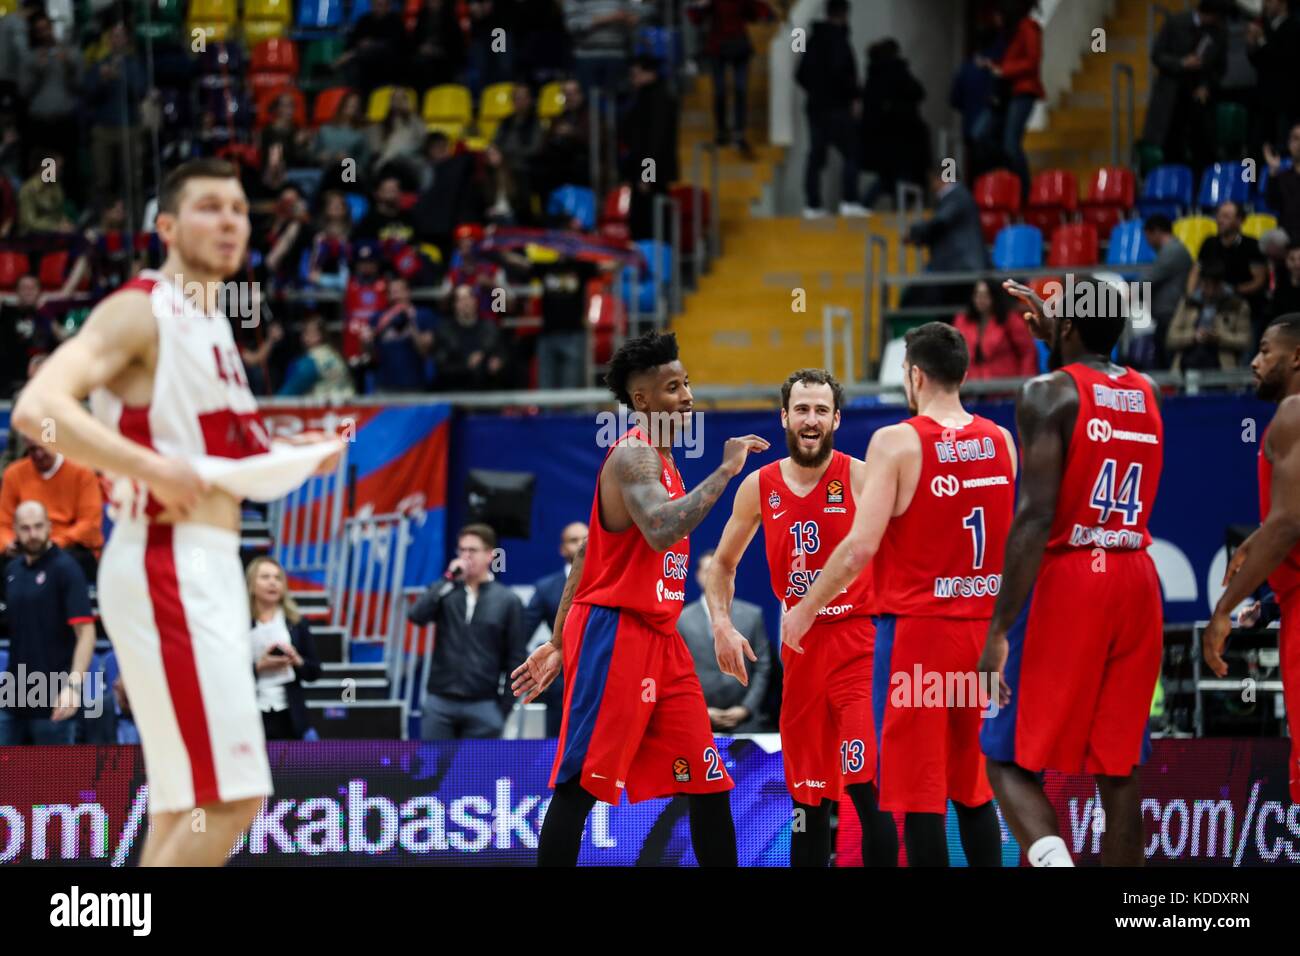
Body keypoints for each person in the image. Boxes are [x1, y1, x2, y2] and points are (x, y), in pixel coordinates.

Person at [10, 157, 342, 867]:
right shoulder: (139, 308)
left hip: (204, 565)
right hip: (167, 561)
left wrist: (298, 453)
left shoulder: (213, 323)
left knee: (184, 806)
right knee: (232, 799)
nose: (230, 221)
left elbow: (220, 453)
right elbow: (38, 408)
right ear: (165, 226)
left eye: (240, 210)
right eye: (210, 207)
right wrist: (147, 466)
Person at [510, 330, 769, 866]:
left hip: (659, 637)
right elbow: (659, 529)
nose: (688, 396)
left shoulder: (665, 462)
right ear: (644, 400)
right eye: (674, 387)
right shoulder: (634, 456)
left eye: (688, 382)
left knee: (707, 779)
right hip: (615, 630)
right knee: (581, 782)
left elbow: (585, 554)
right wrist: (725, 471)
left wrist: (557, 641)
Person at [783, 333, 1013, 868]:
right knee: (975, 792)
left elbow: (859, 547)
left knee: (920, 798)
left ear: (914, 375)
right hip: (982, 634)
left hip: (920, 636)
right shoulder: (1002, 439)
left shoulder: (896, 441)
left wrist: (806, 606)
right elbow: (1009, 547)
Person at [978, 277, 1164, 867]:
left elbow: (1033, 518)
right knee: (1119, 768)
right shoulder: (1149, 390)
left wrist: (998, 631)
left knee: (1003, 755)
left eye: (1057, 316)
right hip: (1137, 575)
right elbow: (1093, 383)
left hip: (1074, 576)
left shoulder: (1045, 393)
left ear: (1070, 327)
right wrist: (1058, 335)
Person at [708, 369, 898, 867]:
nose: (810, 419)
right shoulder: (758, 486)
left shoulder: (860, 477)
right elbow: (722, 567)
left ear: (836, 418)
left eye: (820, 410)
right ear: (784, 417)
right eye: (801, 409)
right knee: (808, 804)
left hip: (859, 647)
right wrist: (722, 625)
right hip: (801, 655)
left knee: (867, 790)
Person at [1204, 312, 1300, 807]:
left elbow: (1287, 525)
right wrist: (1268, 603)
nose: (1255, 361)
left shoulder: (1293, 412)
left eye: (1266, 350)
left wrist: (1224, 610)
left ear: (1297, 357)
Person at [408, 523, 527, 739]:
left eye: (472, 550)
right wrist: (447, 578)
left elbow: (516, 656)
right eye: (461, 550)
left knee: (476, 772)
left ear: (490, 555)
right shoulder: (447, 591)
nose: (465, 556)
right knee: (433, 771)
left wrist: (503, 708)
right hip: (440, 702)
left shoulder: (507, 600)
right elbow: (417, 615)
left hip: (483, 704)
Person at [0, 501, 97, 745]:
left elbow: (86, 632)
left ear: (50, 527)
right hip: (14, 694)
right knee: (8, 780)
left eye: (38, 526)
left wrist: (74, 688)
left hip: (54, 695)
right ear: (15, 530)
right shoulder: (12, 570)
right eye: (25, 528)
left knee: (53, 781)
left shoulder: (66, 569)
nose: (32, 534)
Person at [679, 549, 770, 734]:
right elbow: (676, 671)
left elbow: (763, 667)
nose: (714, 577)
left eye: (719, 571)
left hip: (746, 722)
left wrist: (746, 708)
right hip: (699, 720)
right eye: (708, 571)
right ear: (697, 576)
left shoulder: (752, 615)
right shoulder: (681, 619)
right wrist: (700, 710)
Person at [796, 0, 867, 218]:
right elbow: (844, 73)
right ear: (844, 14)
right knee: (852, 153)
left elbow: (800, 74)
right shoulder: (840, 40)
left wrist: (816, 91)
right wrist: (853, 96)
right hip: (837, 107)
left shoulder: (811, 38)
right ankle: (850, 200)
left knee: (816, 156)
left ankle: (812, 205)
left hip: (816, 107)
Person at [0, 436, 104, 581]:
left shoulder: (83, 472)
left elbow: (89, 525)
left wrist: (52, 544)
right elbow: (3, 524)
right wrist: (8, 543)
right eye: (33, 449)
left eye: (43, 448)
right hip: (26, 546)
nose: (39, 454)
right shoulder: (13, 474)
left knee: (65, 563)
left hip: (70, 547)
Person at [1142, 0, 1228, 174]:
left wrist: (1206, 86)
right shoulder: (1175, 22)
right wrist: (1182, 63)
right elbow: (1157, 55)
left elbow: (1220, 67)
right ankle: (1173, 190)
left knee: (1202, 150)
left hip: (1199, 102)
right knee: (1171, 149)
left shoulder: (1219, 32)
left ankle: (1198, 193)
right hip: (1172, 99)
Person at [686, 0, 776, 158]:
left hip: (738, 46)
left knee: (740, 89)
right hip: (718, 47)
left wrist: (767, 14)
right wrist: (699, 6)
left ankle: (738, 133)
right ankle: (722, 131)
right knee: (720, 91)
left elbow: (755, 11)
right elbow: (696, 19)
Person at [523, 521, 589, 737]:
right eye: (573, 540)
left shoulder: (612, 580)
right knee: (557, 750)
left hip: (604, 680)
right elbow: (521, 632)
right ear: (562, 549)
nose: (581, 545)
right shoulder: (547, 588)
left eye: (585, 539)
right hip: (561, 684)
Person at [247, 556, 321, 742]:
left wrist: (297, 660)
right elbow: (226, 674)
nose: (272, 582)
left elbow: (314, 671)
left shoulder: (296, 622)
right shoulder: (238, 623)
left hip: (289, 714)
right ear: (251, 584)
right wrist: (259, 666)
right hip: (251, 711)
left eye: (277, 577)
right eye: (265, 577)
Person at [859, 38, 930, 212]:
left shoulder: (873, 75)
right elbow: (919, 92)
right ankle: (900, 214)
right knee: (902, 177)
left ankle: (864, 206)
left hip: (883, 138)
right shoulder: (899, 72)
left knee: (886, 179)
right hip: (904, 135)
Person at [981, 0, 1042, 200]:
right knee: (988, 137)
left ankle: (1025, 191)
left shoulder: (1028, 27)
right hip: (1011, 92)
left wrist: (1003, 70)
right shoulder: (1012, 32)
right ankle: (1013, 183)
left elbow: (1032, 61)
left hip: (1024, 91)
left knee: (1010, 143)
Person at [904, 167, 990, 306]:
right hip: (955, 267)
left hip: (962, 267)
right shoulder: (956, 197)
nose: (932, 187)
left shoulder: (957, 195)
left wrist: (914, 232)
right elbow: (940, 229)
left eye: (932, 181)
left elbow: (940, 221)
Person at [1188, 200, 1269, 342]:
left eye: (1226, 216)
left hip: (1244, 308)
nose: (1220, 220)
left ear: (1240, 220)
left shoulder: (1251, 245)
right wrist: (1191, 295)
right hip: (1212, 308)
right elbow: (1196, 271)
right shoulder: (1209, 243)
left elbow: (1259, 280)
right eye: (1219, 216)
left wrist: (1233, 290)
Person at [621, 55, 679, 240]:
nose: (633, 79)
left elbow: (654, 141)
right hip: (644, 172)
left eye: (635, 74)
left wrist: (647, 176)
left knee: (650, 223)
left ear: (650, 74)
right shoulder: (644, 97)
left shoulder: (658, 99)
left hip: (652, 174)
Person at [1166, 258, 1253, 371]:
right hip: (1187, 365)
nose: (1211, 291)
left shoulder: (1237, 305)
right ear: (1201, 282)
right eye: (1207, 285)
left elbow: (1245, 341)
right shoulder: (1188, 303)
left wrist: (1218, 338)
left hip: (1222, 367)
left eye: (1215, 286)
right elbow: (1171, 338)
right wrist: (1194, 336)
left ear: (1222, 284)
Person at [953, 279, 1038, 380]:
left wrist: (1024, 383)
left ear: (995, 297)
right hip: (971, 388)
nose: (981, 299)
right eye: (977, 294)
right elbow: (955, 354)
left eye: (986, 295)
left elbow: (1028, 352)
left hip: (1006, 387)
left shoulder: (1010, 319)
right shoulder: (962, 320)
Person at [1247, 0, 1300, 159]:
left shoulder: (1294, 26)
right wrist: (1252, 45)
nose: (1266, 4)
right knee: (1258, 149)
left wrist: (1262, 40)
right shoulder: (1266, 25)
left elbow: (1282, 61)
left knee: (1282, 148)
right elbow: (1260, 62)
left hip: (1286, 102)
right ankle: (1254, 181)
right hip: (1264, 99)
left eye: (1270, 1)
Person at [433, 283, 511, 390]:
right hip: (457, 393)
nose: (465, 303)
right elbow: (441, 367)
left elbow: (504, 355)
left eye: (469, 297)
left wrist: (499, 362)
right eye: (461, 299)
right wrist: (466, 365)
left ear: (475, 301)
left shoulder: (490, 328)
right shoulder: (444, 331)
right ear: (454, 304)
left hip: (488, 392)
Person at [1143, 213, 1195, 368]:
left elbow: (1148, 280)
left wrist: (1127, 293)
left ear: (1157, 232)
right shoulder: (1169, 251)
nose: (1147, 242)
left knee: (1167, 362)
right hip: (1167, 315)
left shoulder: (1172, 251)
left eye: (1148, 236)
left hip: (1171, 315)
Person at [370, 275, 436, 393]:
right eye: (392, 292)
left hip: (415, 386)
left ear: (408, 293)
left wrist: (411, 322)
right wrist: (367, 339)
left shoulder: (424, 315)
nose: (396, 296)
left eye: (400, 291)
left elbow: (424, 351)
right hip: (384, 387)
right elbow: (369, 353)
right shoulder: (377, 318)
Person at [278, 315, 356, 398]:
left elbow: (286, 395)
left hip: (325, 408)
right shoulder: (335, 355)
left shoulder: (309, 363)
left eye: (305, 332)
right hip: (349, 406)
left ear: (318, 336)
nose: (302, 337)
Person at [338, 0, 406, 94]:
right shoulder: (364, 20)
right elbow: (352, 42)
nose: (378, 8)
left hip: (387, 62)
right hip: (362, 63)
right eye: (375, 5)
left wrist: (370, 44)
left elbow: (396, 45)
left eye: (381, 5)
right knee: (352, 68)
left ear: (388, 6)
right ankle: (353, 98)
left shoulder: (395, 21)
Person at [1265, 123, 1300, 245]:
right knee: (1268, 239)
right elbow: (1272, 204)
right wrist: (1273, 171)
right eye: (1295, 139)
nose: (1299, 143)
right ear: (1289, 143)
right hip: (1286, 235)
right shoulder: (1281, 177)